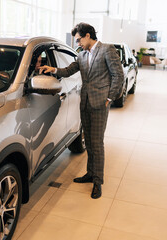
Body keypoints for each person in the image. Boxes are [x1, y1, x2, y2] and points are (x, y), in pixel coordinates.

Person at [40, 23, 124, 199]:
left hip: (100, 103)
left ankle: (98, 182)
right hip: (85, 103)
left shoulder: (107, 49)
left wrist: (110, 98)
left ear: (87, 35)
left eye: (79, 39)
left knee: (97, 143)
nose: (77, 43)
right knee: (89, 143)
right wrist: (53, 70)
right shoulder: (82, 54)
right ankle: (90, 173)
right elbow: (69, 70)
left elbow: (118, 75)